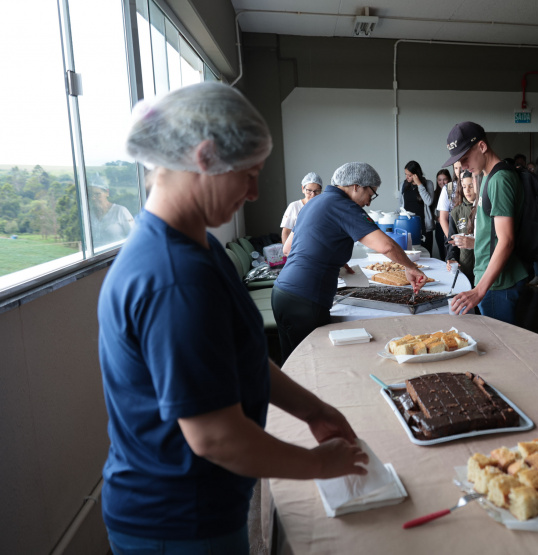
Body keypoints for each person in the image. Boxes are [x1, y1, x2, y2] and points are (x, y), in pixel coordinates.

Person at [98, 83, 368, 554]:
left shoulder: (198, 247)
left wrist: (315, 410)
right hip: (178, 520)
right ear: (205, 158)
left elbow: (237, 357)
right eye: (249, 173)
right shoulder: (175, 277)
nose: (254, 192)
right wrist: (318, 465)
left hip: (199, 505)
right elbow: (216, 438)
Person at [274, 162, 426, 361]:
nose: (369, 203)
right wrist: (411, 267)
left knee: (293, 365)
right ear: (356, 186)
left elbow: (288, 248)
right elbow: (386, 246)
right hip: (306, 299)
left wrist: (332, 256)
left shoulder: (314, 202)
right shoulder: (344, 205)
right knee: (313, 367)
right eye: (370, 195)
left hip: (282, 295)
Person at [443, 121, 528, 323]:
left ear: (482, 147)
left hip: (497, 283)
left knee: (500, 347)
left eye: (465, 158)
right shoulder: (487, 177)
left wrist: (480, 290)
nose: (462, 166)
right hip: (491, 280)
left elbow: (506, 240)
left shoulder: (500, 179)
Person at [445, 170, 477, 284]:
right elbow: (451, 242)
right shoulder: (456, 212)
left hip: (483, 269)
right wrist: (452, 259)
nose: (467, 190)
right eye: (464, 187)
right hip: (465, 269)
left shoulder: (483, 208)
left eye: (471, 186)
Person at [400, 160, 436, 253]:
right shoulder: (403, 185)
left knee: (426, 254)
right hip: (407, 226)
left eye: (410, 175)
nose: (407, 177)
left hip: (424, 227)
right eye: (405, 174)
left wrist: (419, 184)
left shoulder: (428, 184)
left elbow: (428, 202)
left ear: (416, 175)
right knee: (408, 254)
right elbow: (401, 205)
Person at [88, 177, 135, 246]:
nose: (93, 198)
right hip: (99, 256)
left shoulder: (120, 211)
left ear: (107, 193)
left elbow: (134, 236)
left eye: (97, 194)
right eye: (91, 195)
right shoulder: (89, 214)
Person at [280, 172, 322, 246]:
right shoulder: (294, 206)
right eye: (309, 190)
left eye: (317, 191)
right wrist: (288, 253)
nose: (313, 194)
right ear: (303, 189)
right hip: (298, 250)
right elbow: (286, 232)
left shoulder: (323, 207)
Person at [432, 168, 452, 259]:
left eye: (445, 179)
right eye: (440, 180)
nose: (442, 182)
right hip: (439, 226)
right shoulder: (435, 194)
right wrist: (437, 218)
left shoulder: (453, 191)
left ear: (449, 179)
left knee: (451, 251)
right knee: (442, 252)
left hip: (451, 225)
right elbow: (430, 211)